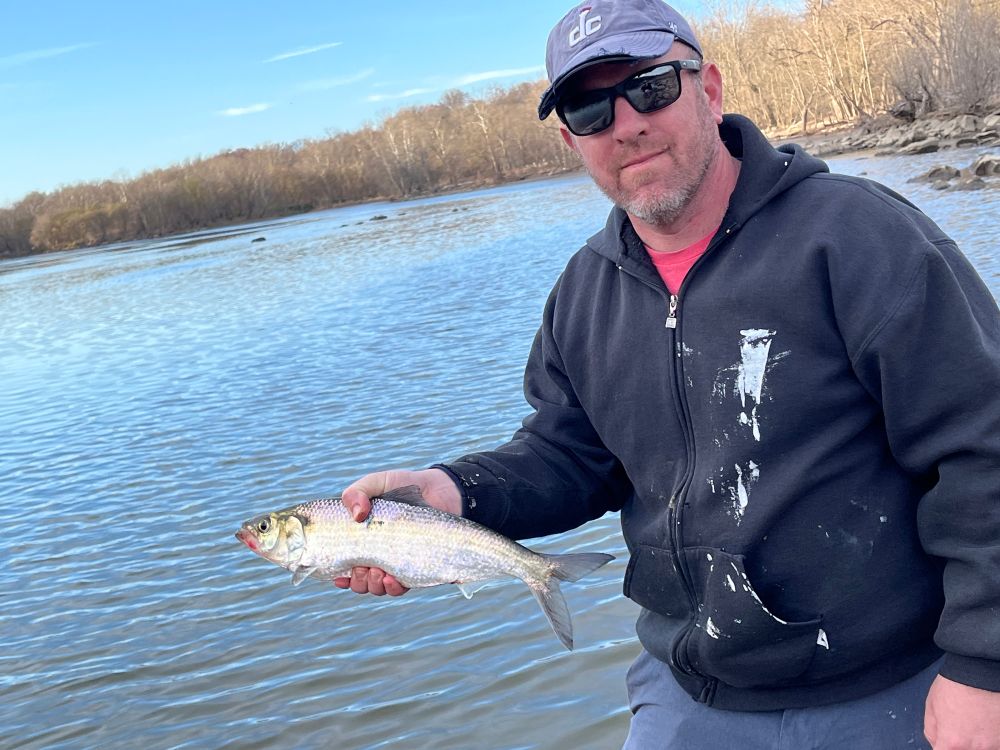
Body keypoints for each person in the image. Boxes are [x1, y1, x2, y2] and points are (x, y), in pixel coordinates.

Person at [336, 0, 1000, 747]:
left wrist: (984, 663)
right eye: (590, 110)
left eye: (649, 87)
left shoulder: (858, 237)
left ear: (709, 89)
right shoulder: (585, 294)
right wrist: (451, 492)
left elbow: (984, 442)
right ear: (571, 139)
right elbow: (569, 455)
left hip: (892, 684)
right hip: (690, 692)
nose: (625, 124)